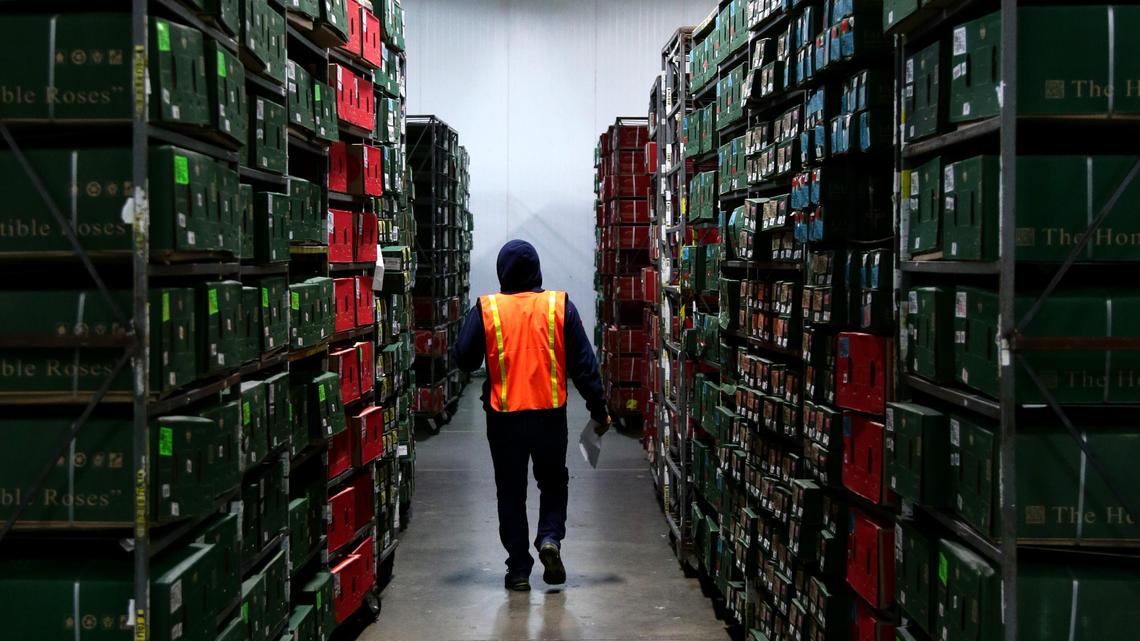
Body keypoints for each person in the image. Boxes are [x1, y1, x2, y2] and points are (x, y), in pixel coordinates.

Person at [455, 239, 610, 592]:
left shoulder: (488, 309)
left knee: (511, 492)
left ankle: (519, 569)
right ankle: (550, 539)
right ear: (537, 269)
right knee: (553, 483)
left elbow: (463, 359)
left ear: (501, 272)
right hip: (549, 416)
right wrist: (598, 408)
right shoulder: (559, 306)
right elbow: (584, 365)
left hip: (504, 418)